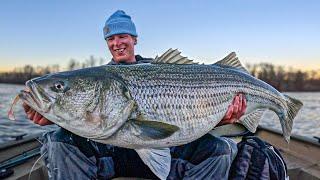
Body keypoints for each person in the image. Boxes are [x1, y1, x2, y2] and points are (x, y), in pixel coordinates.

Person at [23, 10, 247, 179]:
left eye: (122, 36)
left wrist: (222, 119)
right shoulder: (100, 77)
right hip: (112, 157)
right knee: (57, 141)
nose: (116, 43)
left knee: (221, 149)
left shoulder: (162, 70)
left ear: (134, 39)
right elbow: (86, 120)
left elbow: (195, 119)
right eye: (110, 39)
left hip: (167, 149)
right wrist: (53, 117)